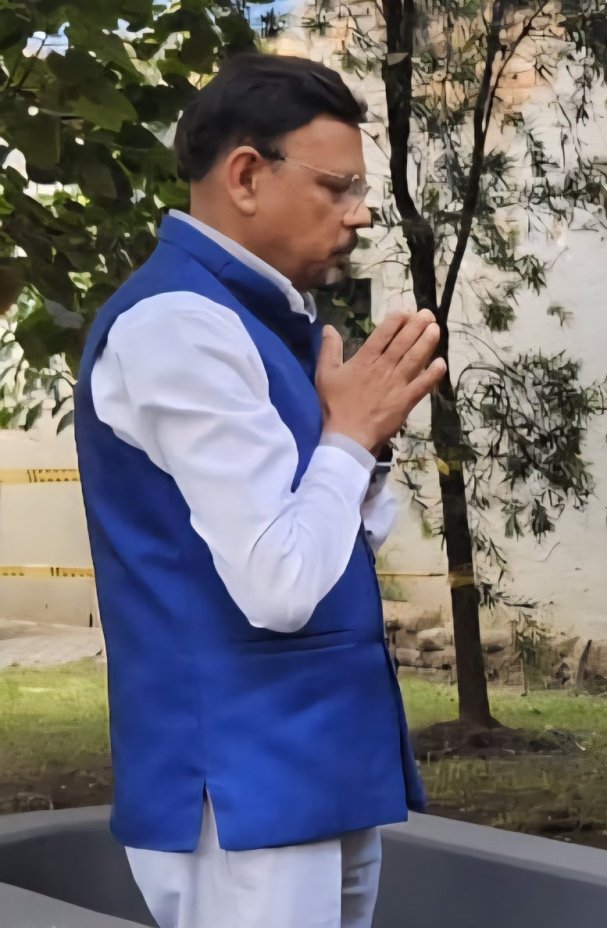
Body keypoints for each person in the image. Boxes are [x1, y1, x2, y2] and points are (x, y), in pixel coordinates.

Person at [73, 53, 444, 927]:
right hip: (237, 785)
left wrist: (360, 441)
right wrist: (349, 434)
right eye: (339, 187)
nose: (359, 217)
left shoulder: (261, 321)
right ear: (246, 175)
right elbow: (279, 585)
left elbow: (327, 549)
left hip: (311, 767)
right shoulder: (178, 325)